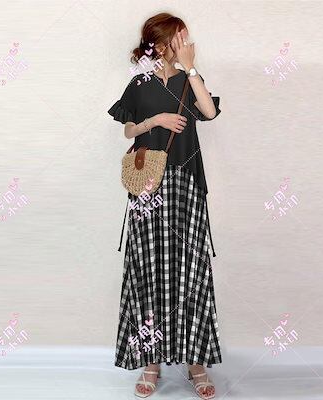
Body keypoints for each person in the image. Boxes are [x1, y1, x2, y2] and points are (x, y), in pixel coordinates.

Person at [108, 12, 222, 399]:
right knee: (147, 271)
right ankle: (151, 362)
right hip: (147, 182)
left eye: (186, 36)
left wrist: (191, 69)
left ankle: (195, 362)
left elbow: (209, 112)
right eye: (179, 37)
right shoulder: (139, 84)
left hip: (186, 183)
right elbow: (128, 128)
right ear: (160, 43)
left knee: (191, 271)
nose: (186, 42)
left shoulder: (191, 80)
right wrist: (153, 120)